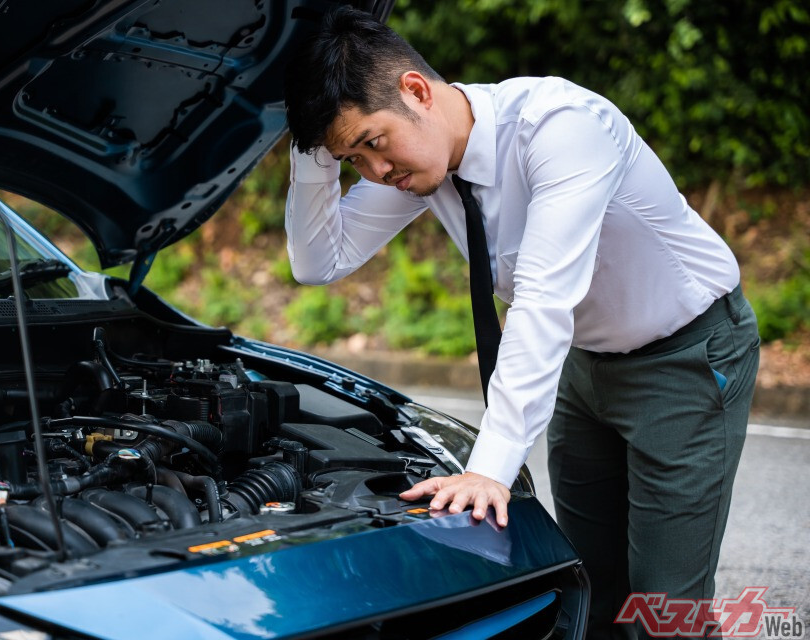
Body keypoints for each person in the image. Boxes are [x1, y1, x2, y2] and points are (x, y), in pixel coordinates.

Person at [281, 6, 759, 639]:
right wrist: (312, 146)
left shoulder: (560, 129)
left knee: (666, 613)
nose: (374, 172)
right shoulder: (419, 160)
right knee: (591, 590)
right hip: (582, 366)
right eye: (352, 160)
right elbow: (320, 261)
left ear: (416, 91)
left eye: (371, 144)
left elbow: (541, 300)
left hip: (688, 360)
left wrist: (490, 467)